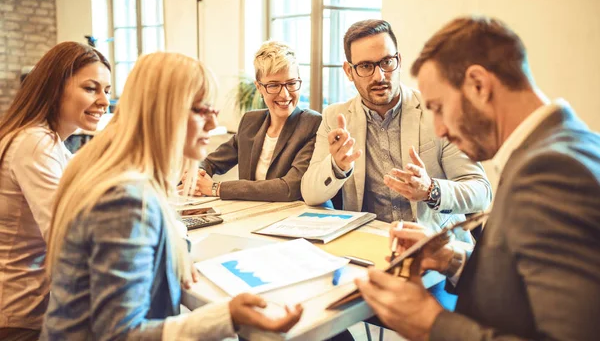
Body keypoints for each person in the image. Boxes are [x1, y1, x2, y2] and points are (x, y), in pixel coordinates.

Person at [355, 16, 600, 341]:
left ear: (478, 85)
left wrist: (431, 324)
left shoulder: (551, 170)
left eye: (439, 108)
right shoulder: (567, 144)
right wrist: (449, 257)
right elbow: (524, 283)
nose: (439, 128)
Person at [41, 52, 302, 340]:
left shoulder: (119, 175)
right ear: (163, 113)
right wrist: (227, 317)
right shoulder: (125, 200)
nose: (213, 122)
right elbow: (120, 334)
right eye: (201, 110)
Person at [301, 19, 492, 242]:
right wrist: (337, 166)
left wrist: (430, 190)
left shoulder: (437, 111)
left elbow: (481, 192)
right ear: (349, 71)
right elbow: (310, 194)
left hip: (432, 247)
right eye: (365, 66)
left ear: (399, 61)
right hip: (365, 244)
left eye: (387, 62)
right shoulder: (336, 118)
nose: (379, 76)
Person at [0, 42, 111, 340]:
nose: (104, 101)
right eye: (91, 88)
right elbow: (68, 237)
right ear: (54, 88)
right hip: (20, 317)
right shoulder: (35, 143)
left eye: (107, 90)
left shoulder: (51, 143)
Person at [197, 40, 321, 201]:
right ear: (259, 87)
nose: (285, 94)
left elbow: (290, 187)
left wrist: (216, 188)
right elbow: (212, 162)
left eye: (291, 83)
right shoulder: (251, 121)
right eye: (273, 85)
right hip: (253, 214)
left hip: (293, 218)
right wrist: (195, 176)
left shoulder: (312, 124)